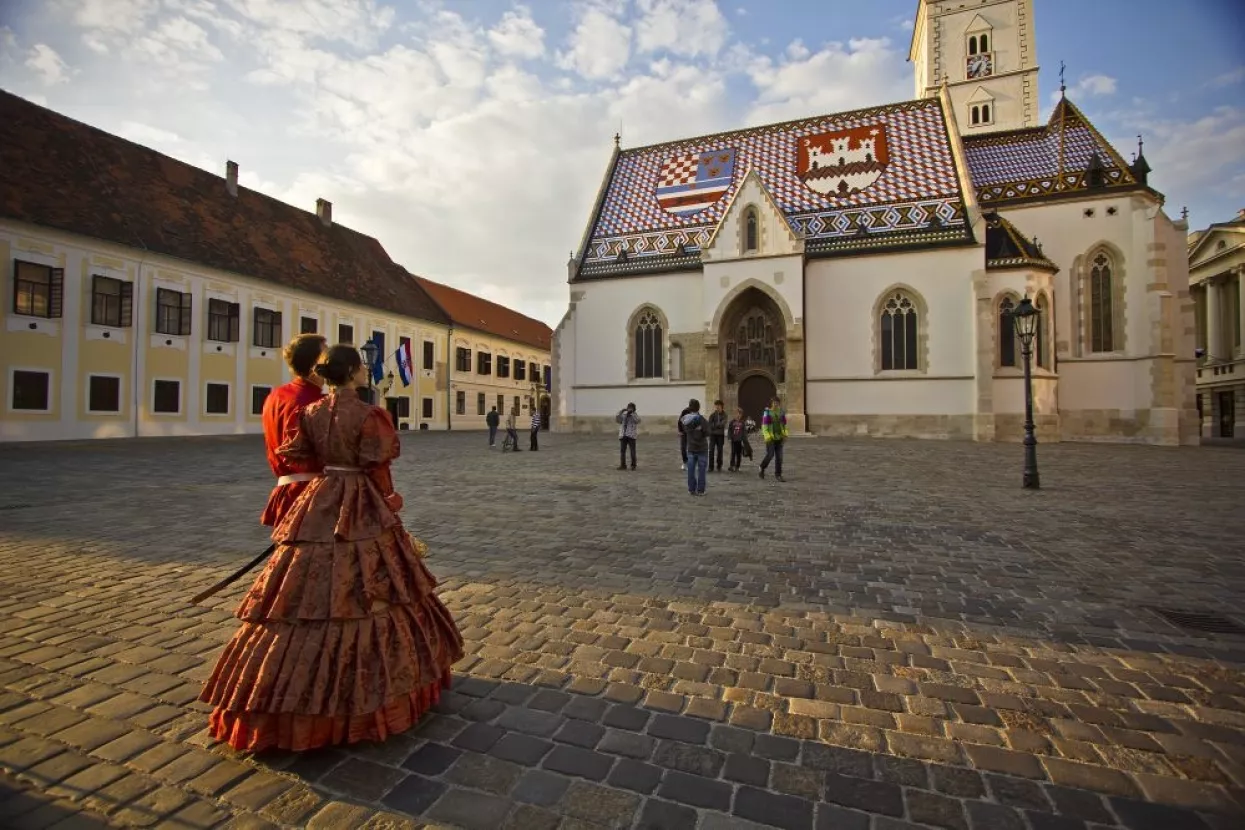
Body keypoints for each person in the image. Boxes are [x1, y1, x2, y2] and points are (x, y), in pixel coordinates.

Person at [200, 345, 463, 752]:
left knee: (301, 591)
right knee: (373, 588)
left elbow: (302, 455)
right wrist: (390, 503)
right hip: (358, 499)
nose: (365, 372)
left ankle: (280, 692)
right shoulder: (369, 415)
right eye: (362, 367)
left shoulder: (310, 412)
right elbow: (378, 470)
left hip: (320, 499)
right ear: (356, 373)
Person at [260, 334, 327, 527]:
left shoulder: (275, 396)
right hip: (312, 495)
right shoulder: (316, 403)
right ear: (316, 365)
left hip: (285, 491)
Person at [680, 399, 710, 496]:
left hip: (691, 448)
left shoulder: (685, 420)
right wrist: (699, 429)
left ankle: (691, 489)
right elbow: (707, 432)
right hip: (702, 448)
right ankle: (700, 490)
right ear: (698, 408)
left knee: (691, 471)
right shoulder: (702, 419)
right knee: (701, 471)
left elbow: (684, 430)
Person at [759, 395, 788, 481]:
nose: (776, 404)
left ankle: (778, 474)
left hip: (779, 437)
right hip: (770, 438)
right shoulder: (767, 413)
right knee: (770, 454)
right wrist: (767, 437)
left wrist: (785, 434)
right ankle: (762, 467)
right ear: (771, 403)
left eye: (777, 403)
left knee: (779, 457)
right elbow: (764, 426)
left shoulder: (781, 412)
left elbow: (784, 425)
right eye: (774, 402)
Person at [616, 403, 640, 470]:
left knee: (632, 451)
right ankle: (623, 465)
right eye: (628, 407)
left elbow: (637, 421)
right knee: (622, 451)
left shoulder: (635, 415)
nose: (629, 409)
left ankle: (633, 465)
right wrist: (621, 412)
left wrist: (632, 414)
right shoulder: (624, 414)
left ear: (634, 409)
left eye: (631, 407)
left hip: (631, 435)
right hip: (623, 435)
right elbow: (618, 420)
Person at [707, 400, 727, 472]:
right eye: (716, 406)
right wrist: (716, 426)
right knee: (711, 450)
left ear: (721, 406)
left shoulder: (725, 415)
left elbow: (722, 424)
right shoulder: (712, 415)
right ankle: (710, 467)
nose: (717, 407)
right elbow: (709, 425)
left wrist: (715, 425)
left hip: (720, 435)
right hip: (712, 435)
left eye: (718, 406)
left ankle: (719, 466)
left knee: (720, 451)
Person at [727, 407, 748, 472]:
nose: (738, 415)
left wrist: (744, 440)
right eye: (737, 414)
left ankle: (737, 466)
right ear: (734, 414)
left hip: (740, 441)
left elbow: (744, 432)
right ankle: (732, 465)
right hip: (733, 440)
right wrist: (729, 437)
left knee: (739, 454)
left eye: (739, 414)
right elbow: (729, 431)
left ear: (741, 415)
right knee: (733, 453)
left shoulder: (742, 423)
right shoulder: (731, 422)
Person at [676, 403, 693, 470]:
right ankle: (685, 462)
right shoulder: (685, 411)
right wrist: (680, 431)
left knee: (691, 448)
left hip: (692, 433)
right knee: (683, 448)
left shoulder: (696, 412)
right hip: (684, 432)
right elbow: (680, 421)